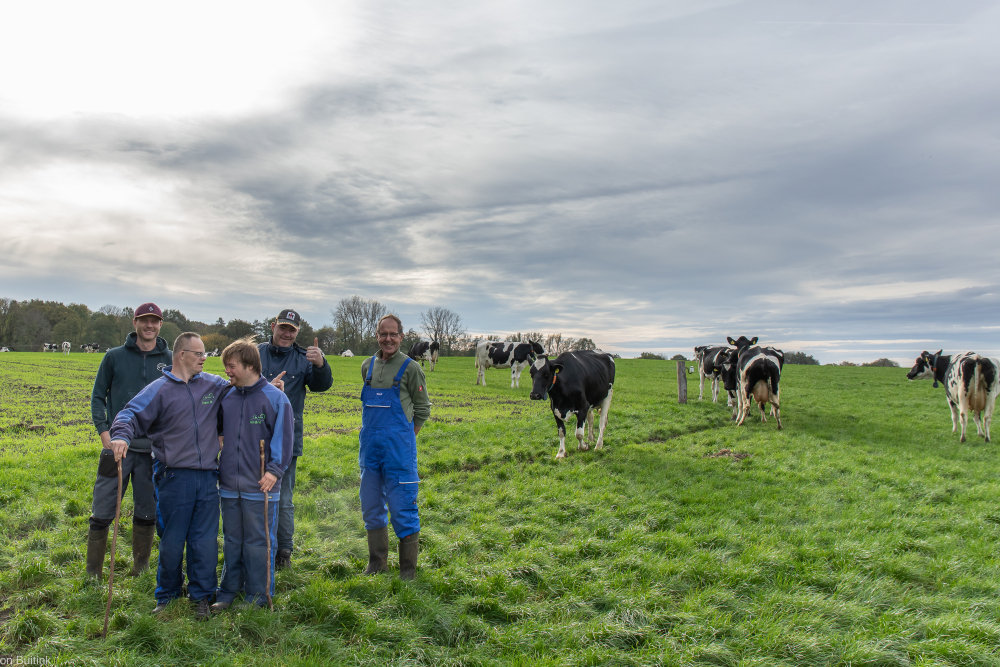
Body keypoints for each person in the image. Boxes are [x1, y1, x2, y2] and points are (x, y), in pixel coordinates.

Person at [109, 332, 230, 621]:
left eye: (204, 354)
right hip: (174, 476)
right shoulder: (159, 389)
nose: (204, 358)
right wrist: (121, 437)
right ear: (181, 355)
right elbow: (129, 415)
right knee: (173, 539)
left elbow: (245, 389)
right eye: (198, 353)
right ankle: (168, 595)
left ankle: (201, 595)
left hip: (207, 476)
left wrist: (270, 388)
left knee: (205, 540)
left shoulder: (214, 385)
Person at [87, 302, 172, 580]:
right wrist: (104, 434)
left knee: (147, 511)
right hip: (118, 449)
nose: (150, 325)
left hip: (154, 452)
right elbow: (98, 396)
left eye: (155, 321)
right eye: (144, 320)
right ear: (134, 323)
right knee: (102, 511)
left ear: (160, 324)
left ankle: (141, 568)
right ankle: (94, 573)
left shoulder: (170, 359)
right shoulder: (114, 356)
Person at [212, 338, 293, 611]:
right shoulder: (228, 397)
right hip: (228, 486)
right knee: (233, 540)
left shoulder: (275, 398)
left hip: (261, 485)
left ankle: (258, 596)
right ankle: (227, 591)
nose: (227, 372)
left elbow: (284, 438)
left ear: (249, 365)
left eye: (231, 366)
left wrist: (274, 471)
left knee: (259, 542)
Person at [257, 309, 332, 569]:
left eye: (292, 330)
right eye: (283, 328)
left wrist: (321, 364)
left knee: (283, 498)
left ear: (297, 332)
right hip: (252, 434)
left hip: (287, 437)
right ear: (273, 325)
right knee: (251, 493)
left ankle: (283, 554)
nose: (287, 333)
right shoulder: (255, 353)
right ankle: (256, 548)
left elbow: (321, 386)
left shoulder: (305, 358)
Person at [359, 314, 431, 579]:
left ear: (401, 337)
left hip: (399, 451)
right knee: (370, 504)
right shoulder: (367, 366)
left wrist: (406, 437)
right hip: (370, 452)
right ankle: (377, 563)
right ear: (377, 335)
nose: (388, 339)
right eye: (383, 334)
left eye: (393, 334)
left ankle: (408, 570)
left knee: (403, 507)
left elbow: (422, 409)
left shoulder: (411, 368)